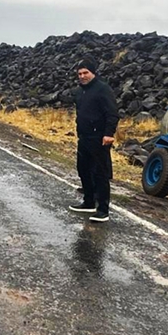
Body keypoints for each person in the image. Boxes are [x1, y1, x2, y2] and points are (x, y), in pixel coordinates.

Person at [68, 58, 118, 223]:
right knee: (83, 169)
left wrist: (109, 133)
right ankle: (88, 202)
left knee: (100, 174)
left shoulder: (103, 89)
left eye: (85, 73)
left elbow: (112, 113)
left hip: (99, 139)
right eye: (80, 73)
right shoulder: (80, 91)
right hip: (84, 137)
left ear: (93, 73)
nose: (82, 76)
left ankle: (103, 210)